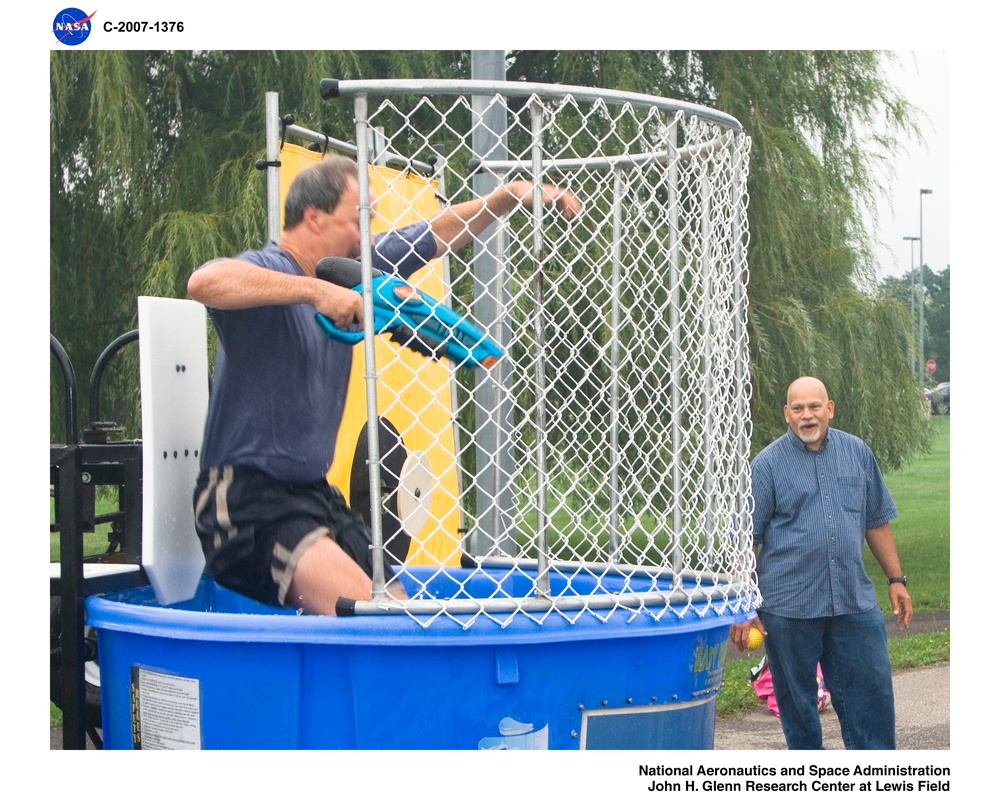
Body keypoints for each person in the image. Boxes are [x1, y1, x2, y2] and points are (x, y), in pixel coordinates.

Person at [188, 154, 581, 615]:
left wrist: (506, 198)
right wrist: (317, 292)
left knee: (398, 610)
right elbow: (204, 281)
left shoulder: (357, 270)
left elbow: (434, 235)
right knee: (374, 620)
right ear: (313, 218)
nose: (366, 232)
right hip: (243, 505)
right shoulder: (271, 267)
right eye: (359, 218)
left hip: (313, 495)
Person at [729, 376, 913, 749]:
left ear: (829, 408)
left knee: (872, 696)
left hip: (852, 600)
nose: (807, 415)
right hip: (788, 607)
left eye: (814, 406)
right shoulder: (766, 466)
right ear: (787, 413)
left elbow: (876, 518)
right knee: (798, 709)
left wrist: (896, 578)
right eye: (797, 408)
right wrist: (744, 605)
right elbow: (746, 540)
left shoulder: (857, 452)